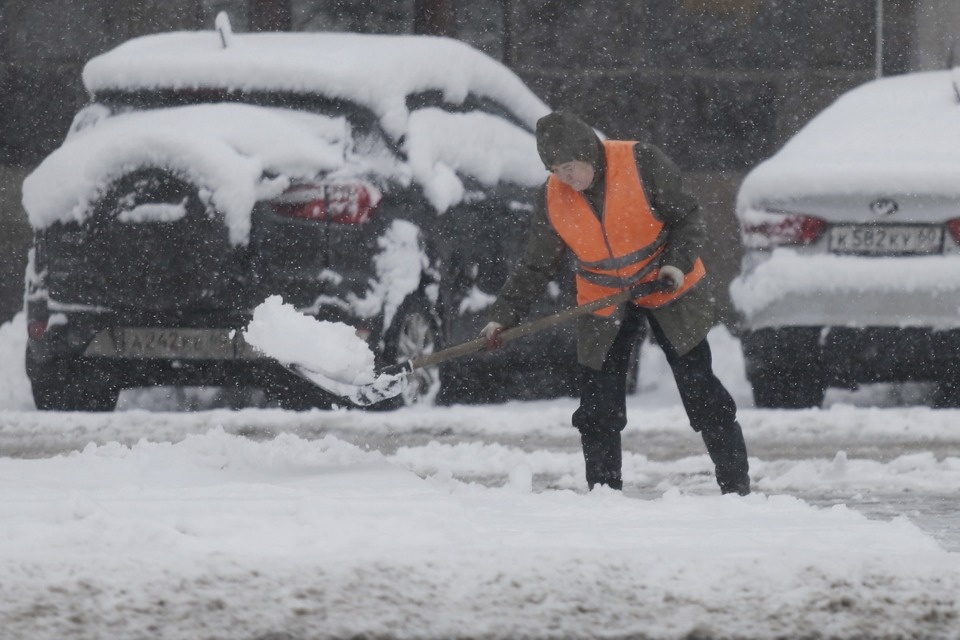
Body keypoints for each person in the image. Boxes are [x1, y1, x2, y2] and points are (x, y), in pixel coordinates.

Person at [482, 111, 750, 495]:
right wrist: (503, 317)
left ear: (588, 152)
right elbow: (536, 264)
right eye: (557, 170)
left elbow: (688, 216)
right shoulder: (552, 197)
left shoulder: (642, 162)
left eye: (571, 167)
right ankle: (603, 493)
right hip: (604, 302)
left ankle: (736, 487)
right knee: (597, 407)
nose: (567, 179)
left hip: (666, 286)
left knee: (700, 390)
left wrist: (675, 264)